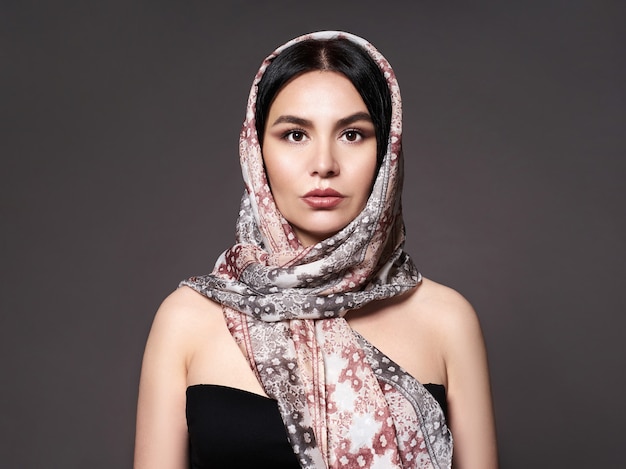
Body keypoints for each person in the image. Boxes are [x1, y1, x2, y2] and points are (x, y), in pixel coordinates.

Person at [134, 30, 498, 468]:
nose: (324, 164)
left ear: (387, 152)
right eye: (294, 135)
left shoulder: (445, 320)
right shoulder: (186, 321)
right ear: (256, 150)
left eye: (352, 134)